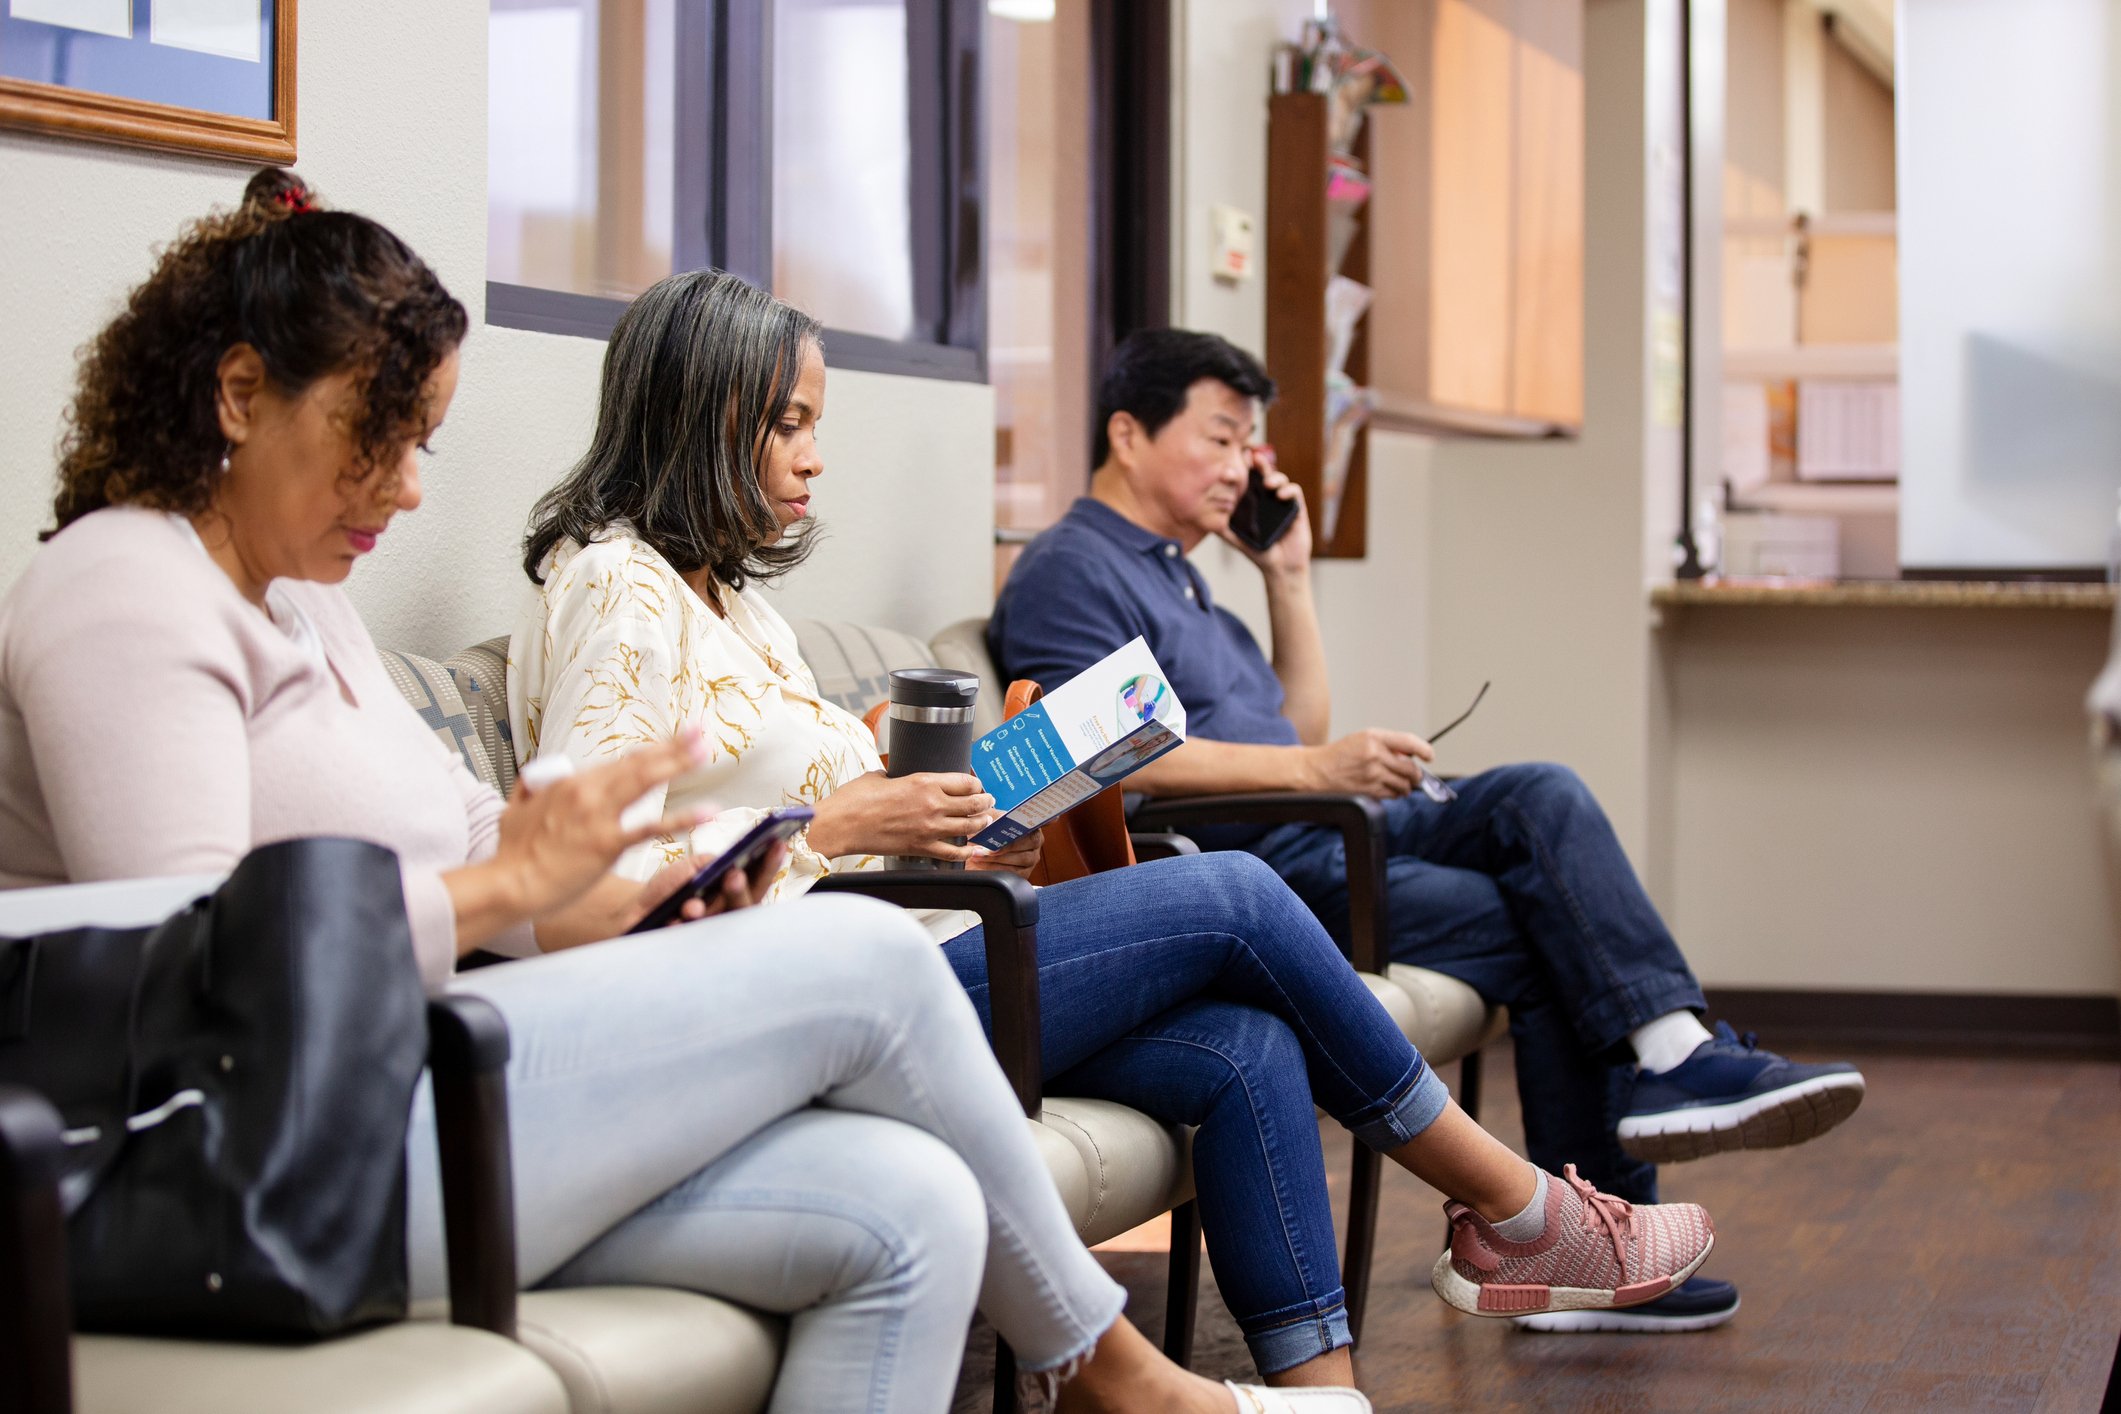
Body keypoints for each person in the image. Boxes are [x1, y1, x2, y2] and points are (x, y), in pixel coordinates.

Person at [0, 172, 1353, 1414]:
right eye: (380, 437)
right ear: (239, 394)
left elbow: (482, 846)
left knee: (916, 1208)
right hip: (242, 1162)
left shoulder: (301, 600)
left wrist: (637, 883)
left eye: (424, 442)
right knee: (867, 957)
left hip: (400, 1086)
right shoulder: (123, 586)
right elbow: (183, 980)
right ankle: (1133, 1381)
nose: (411, 488)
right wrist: (503, 891)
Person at [508, 268, 1718, 1390]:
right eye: (787, 425)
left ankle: (1325, 1400)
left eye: (815, 424)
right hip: (811, 994)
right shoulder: (614, 586)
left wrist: (956, 827)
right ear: (687, 413)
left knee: (1247, 1045)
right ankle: (1514, 1210)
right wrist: (839, 817)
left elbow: (802, 817)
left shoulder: (739, 605)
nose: (815, 460)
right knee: (1239, 891)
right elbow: (588, 886)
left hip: (912, 943)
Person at [989, 327, 1869, 1335]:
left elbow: (1294, 723)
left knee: (1542, 791)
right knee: (1539, 919)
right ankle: (1603, 1230)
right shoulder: (1073, 568)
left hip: (1323, 824)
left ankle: (1670, 1055)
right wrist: (1313, 773)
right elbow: (1081, 755)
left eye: (1249, 447)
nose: (1241, 468)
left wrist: (1288, 580)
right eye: (1221, 438)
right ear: (1128, 434)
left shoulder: (1188, 577)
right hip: (1262, 863)